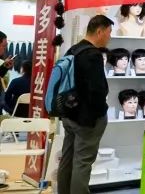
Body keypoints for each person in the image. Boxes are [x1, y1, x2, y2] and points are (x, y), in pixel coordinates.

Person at [58, 15, 112, 194]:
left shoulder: (73, 50)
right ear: (100, 31)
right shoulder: (93, 55)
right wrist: (100, 113)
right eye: (109, 32)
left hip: (69, 114)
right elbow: (97, 89)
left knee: (67, 159)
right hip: (87, 119)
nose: (109, 37)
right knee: (82, 162)